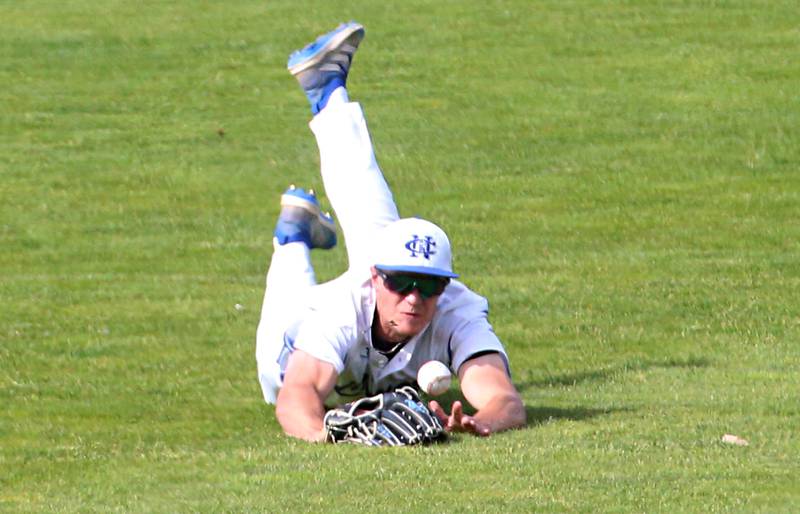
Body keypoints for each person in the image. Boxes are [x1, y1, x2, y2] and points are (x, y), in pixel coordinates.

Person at [256, 21, 526, 442]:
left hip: (370, 312)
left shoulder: (457, 309)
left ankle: (328, 92)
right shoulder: (339, 312)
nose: (414, 297)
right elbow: (296, 397)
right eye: (401, 282)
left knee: (377, 221)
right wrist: (332, 437)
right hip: (289, 343)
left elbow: (504, 399)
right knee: (287, 315)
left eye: (429, 284)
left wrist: (483, 420)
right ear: (377, 276)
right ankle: (292, 237)